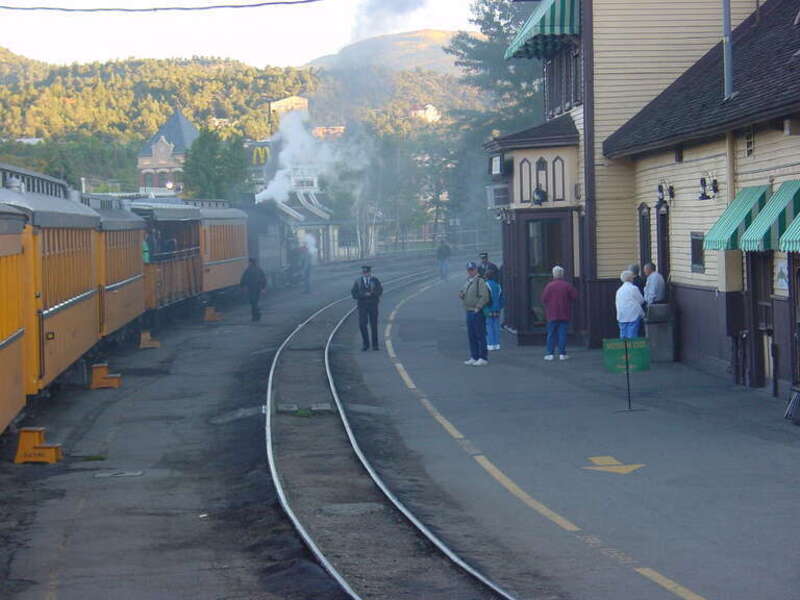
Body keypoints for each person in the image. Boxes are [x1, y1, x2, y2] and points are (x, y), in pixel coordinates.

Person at [540, 265, 578, 360]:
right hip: (564, 313)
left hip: (552, 314)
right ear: (562, 274)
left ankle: (550, 353)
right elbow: (574, 296)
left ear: (553, 274)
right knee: (562, 334)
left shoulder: (549, 286)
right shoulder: (567, 285)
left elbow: (543, 299)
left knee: (551, 334)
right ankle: (562, 354)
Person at [460, 262, 490, 366]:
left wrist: (478, 307)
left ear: (476, 270)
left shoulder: (480, 281)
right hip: (469, 310)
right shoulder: (468, 281)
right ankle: (474, 356)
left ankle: (483, 357)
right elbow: (463, 292)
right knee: (471, 335)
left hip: (477, 311)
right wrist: (462, 294)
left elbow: (484, 296)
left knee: (480, 335)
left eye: (472, 269)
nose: (470, 271)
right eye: (469, 270)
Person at [351, 265, 383, 351]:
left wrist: (372, 294)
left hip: (373, 305)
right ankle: (366, 344)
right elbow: (353, 294)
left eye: (367, 272)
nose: (366, 274)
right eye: (364, 273)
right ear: (362, 273)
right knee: (362, 324)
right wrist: (363, 295)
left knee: (374, 325)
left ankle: (375, 345)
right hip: (362, 306)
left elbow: (380, 291)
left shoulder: (375, 280)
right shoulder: (358, 282)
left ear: (370, 272)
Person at [616, 270, 645, 339]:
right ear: (631, 278)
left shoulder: (619, 290)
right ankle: (632, 349)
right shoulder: (633, 288)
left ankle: (624, 349)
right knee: (632, 336)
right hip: (633, 315)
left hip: (622, 315)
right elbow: (641, 300)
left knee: (623, 336)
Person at [484, 270, 504, 351]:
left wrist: (484, 308)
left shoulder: (485, 285)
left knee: (489, 326)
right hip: (497, 308)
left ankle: (490, 344)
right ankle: (497, 344)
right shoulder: (498, 285)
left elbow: (484, 298)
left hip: (488, 308)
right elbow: (502, 298)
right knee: (496, 326)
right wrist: (500, 307)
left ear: (486, 276)